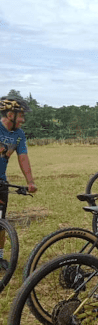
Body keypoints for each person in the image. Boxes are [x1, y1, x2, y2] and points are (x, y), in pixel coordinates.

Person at [0, 97, 37, 269]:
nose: (23, 120)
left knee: (1, 220)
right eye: (20, 116)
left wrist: (30, 181)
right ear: (10, 115)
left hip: (1, 181)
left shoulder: (19, 135)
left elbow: (23, 158)